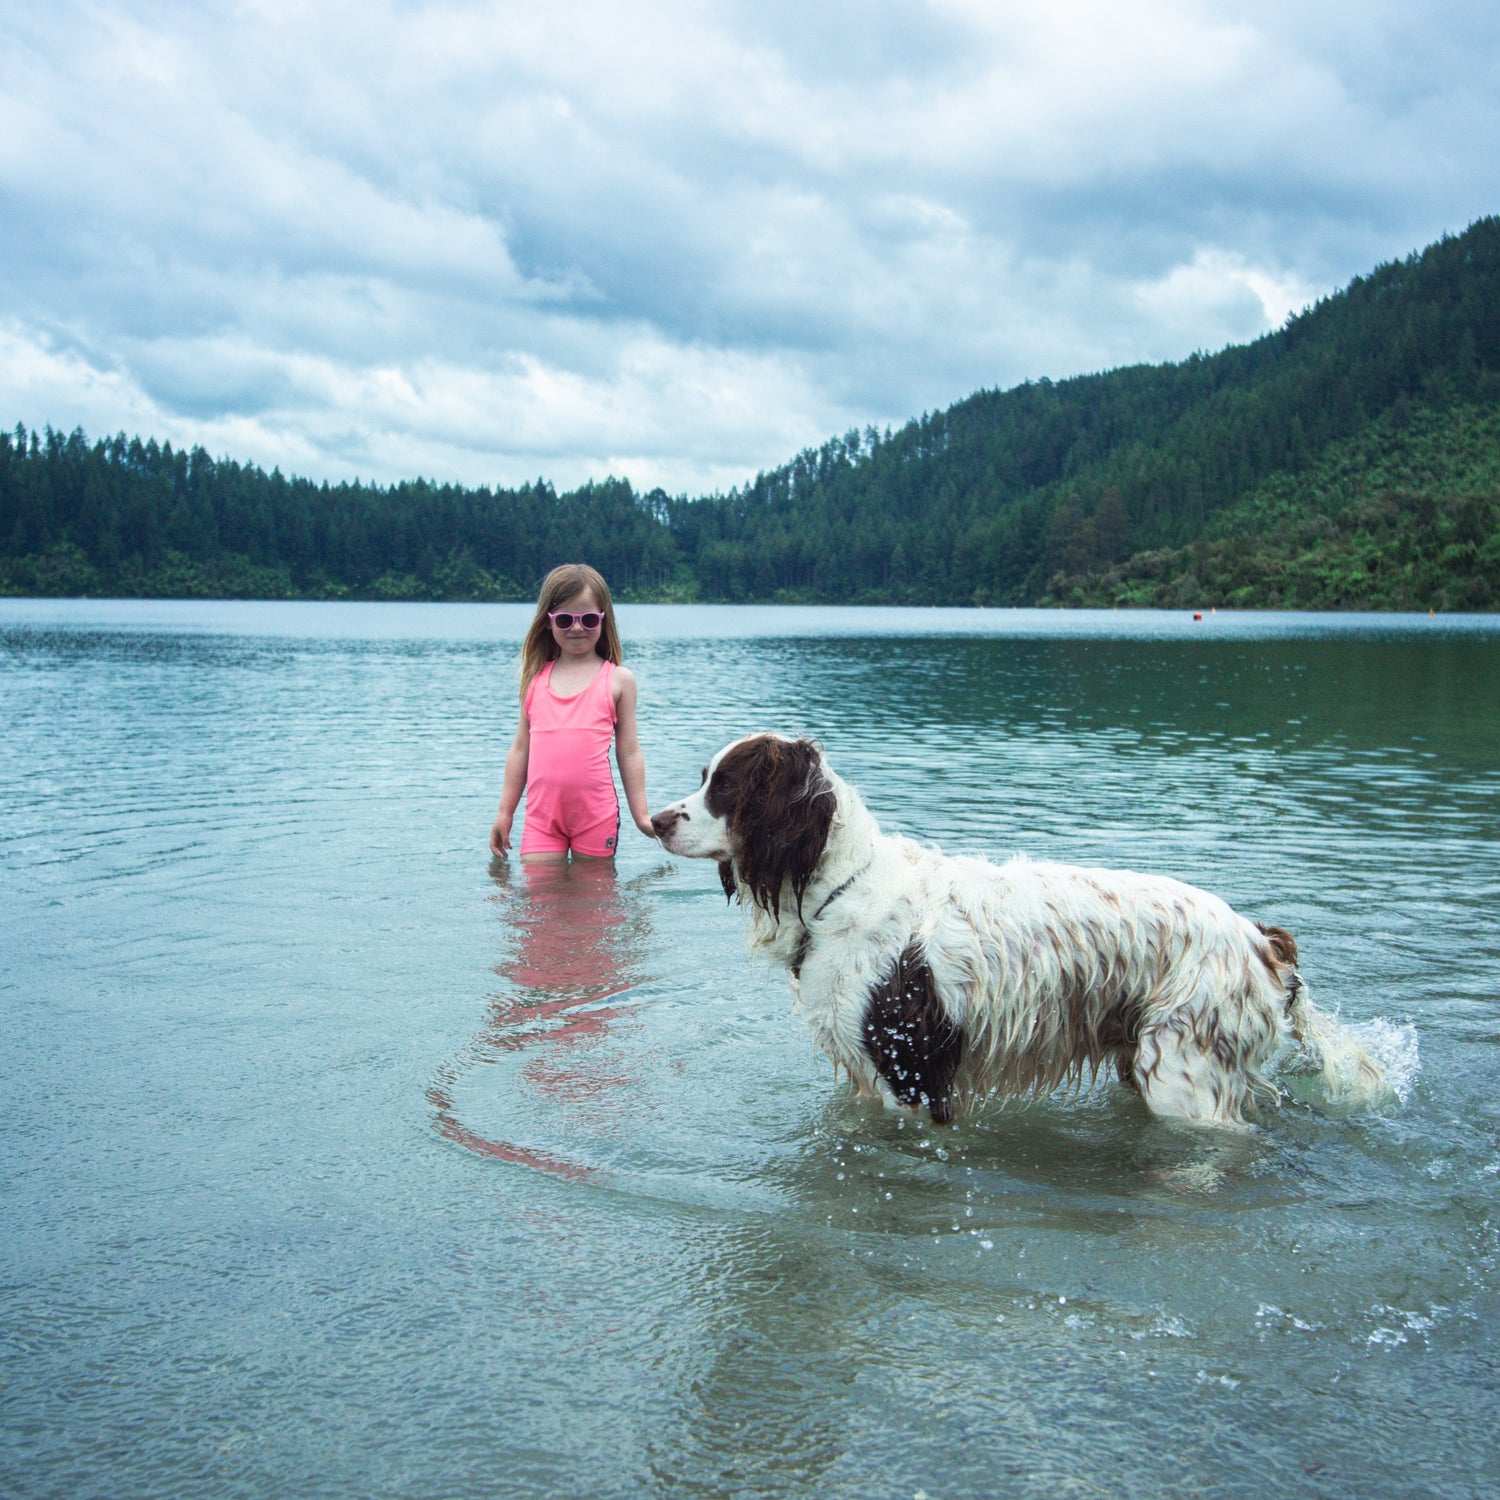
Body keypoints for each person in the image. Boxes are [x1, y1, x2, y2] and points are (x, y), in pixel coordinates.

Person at [489, 563, 655, 862]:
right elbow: (520, 749)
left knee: (594, 891)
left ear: (603, 620)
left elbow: (629, 750)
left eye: (588, 619)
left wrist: (641, 816)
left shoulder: (618, 680)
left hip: (596, 816)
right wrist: (505, 812)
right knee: (538, 889)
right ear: (548, 622)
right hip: (541, 819)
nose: (577, 628)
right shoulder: (534, 679)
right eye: (565, 620)